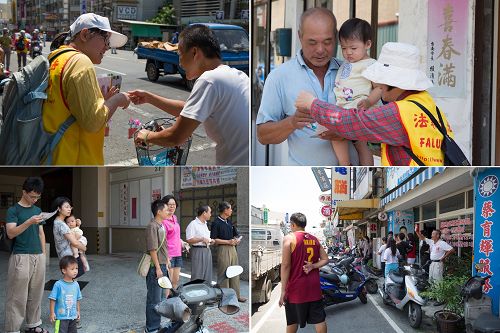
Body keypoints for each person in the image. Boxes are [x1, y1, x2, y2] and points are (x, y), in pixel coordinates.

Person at [295, 42, 457, 166]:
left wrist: (313, 104)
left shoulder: (399, 112)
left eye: (381, 80)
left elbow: (351, 121)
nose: (377, 84)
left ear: (395, 82)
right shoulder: (428, 105)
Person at [129, 24, 249, 165]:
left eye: (180, 54)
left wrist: (147, 136)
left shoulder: (209, 80)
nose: (179, 61)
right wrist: (149, 98)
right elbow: (189, 110)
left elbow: (175, 137)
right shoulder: (235, 75)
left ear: (194, 53)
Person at [256, 8, 359, 166]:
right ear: (300, 36)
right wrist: (292, 122)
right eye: (312, 42)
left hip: (353, 176)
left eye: (327, 42)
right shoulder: (279, 77)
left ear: (336, 38)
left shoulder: (350, 71)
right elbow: (263, 135)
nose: (320, 50)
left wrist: (347, 131)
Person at [42, 13, 130, 165]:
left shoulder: (56, 58)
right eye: (105, 39)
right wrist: (117, 100)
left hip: (51, 154)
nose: (107, 47)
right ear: (84, 34)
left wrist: (103, 101)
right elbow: (93, 122)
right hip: (75, 159)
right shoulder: (80, 62)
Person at [319, 18, 381, 166]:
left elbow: (379, 88)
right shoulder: (345, 64)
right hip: (344, 109)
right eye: (344, 48)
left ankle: (349, 165)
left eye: (353, 48)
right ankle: (346, 164)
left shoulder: (371, 65)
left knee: (355, 142)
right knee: (347, 139)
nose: (348, 53)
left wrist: (369, 101)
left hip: (359, 109)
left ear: (368, 44)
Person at [4, 177, 48, 333]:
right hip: (20, 256)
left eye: (38, 197)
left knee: (36, 293)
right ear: (24, 192)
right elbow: (10, 233)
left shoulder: (37, 211)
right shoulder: (13, 210)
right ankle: (12, 329)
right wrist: (28, 222)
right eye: (32, 196)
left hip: (38, 255)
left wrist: (43, 254)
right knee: (17, 295)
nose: (35, 200)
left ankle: (33, 324)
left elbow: (41, 233)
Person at [279, 213, 329, 333]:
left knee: (293, 321)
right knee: (319, 320)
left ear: (293, 225)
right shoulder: (314, 239)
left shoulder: (289, 238)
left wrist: (283, 290)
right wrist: (313, 266)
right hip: (314, 287)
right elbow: (325, 259)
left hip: (296, 288)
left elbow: (285, 265)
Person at [210, 201, 246, 302]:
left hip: (232, 248)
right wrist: (228, 241)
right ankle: (224, 297)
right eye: (230, 209)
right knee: (224, 273)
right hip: (223, 249)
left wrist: (236, 240)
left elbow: (236, 234)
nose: (231, 210)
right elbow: (213, 239)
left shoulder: (229, 222)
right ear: (225, 210)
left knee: (235, 271)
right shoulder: (216, 223)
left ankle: (236, 296)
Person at [145, 199, 171, 333]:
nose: (169, 211)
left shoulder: (161, 225)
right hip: (155, 267)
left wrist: (166, 262)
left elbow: (164, 246)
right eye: (166, 209)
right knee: (153, 300)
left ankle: (156, 324)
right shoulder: (152, 226)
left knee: (160, 299)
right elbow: (152, 249)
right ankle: (151, 328)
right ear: (159, 211)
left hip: (162, 265)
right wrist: (158, 268)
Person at [52, 197, 87, 278]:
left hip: (65, 256)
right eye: (66, 207)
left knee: (70, 280)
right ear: (59, 209)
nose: (69, 209)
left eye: (70, 207)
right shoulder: (61, 224)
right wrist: (84, 248)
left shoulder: (58, 222)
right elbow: (74, 242)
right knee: (71, 281)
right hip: (69, 257)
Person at [161, 195, 187, 293]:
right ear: (165, 206)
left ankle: (173, 301)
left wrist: (181, 241)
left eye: (174, 204)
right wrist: (166, 256)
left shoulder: (174, 218)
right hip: (169, 255)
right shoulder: (163, 221)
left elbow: (174, 235)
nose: (172, 206)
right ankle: (166, 303)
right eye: (169, 204)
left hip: (178, 253)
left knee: (175, 281)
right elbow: (163, 240)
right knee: (168, 282)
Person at [48, 256, 82, 333]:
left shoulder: (76, 284)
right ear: (64, 270)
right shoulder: (58, 284)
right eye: (72, 269)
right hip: (61, 317)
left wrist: (78, 311)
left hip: (72, 317)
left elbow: (77, 299)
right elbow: (52, 299)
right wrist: (52, 313)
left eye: (76, 268)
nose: (75, 271)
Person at [185, 205, 214, 282]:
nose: (211, 214)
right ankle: (196, 292)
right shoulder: (193, 224)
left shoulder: (205, 224)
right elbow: (189, 239)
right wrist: (202, 239)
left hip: (207, 250)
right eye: (210, 212)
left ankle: (206, 292)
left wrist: (210, 240)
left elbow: (206, 238)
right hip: (198, 250)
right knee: (197, 275)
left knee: (207, 274)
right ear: (204, 213)